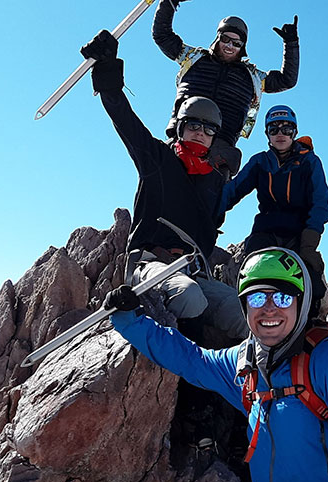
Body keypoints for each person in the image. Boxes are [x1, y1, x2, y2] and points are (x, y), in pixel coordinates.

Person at [104, 248, 328, 482]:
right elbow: (192, 360)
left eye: (282, 298)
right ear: (244, 306)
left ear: (301, 302)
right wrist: (132, 321)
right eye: (257, 298)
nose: (269, 309)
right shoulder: (245, 362)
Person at [80, 29, 246, 341]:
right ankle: (182, 370)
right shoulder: (157, 159)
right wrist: (106, 68)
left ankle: (237, 382)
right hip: (152, 264)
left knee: (239, 311)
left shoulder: (213, 178)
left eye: (208, 128)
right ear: (180, 127)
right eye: (193, 125)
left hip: (193, 269)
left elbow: (211, 227)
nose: (200, 132)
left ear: (215, 137)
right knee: (189, 297)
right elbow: (124, 119)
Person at [153, 0, 299, 178]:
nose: (230, 46)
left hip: (221, 147)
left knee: (208, 202)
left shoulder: (253, 77)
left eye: (237, 43)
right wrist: (170, 1)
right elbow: (162, 35)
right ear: (217, 38)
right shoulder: (194, 58)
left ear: (243, 47)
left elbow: (286, 80)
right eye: (226, 39)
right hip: (183, 136)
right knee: (164, 187)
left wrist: (291, 44)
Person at [220, 105, 328, 315]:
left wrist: (309, 241)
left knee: (311, 281)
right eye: (274, 129)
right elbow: (233, 191)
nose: (280, 134)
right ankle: (252, 321)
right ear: (267, 134)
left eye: (286, 129)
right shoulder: (260, 162)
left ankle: (309, 322)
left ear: (294, 132)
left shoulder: (309, 162)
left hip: (299, 233)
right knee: (255, 273)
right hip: (266, 231)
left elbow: (321, 202)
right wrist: (210, 215)